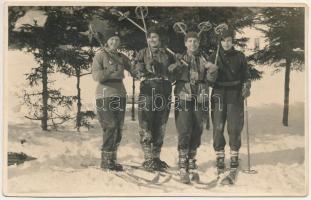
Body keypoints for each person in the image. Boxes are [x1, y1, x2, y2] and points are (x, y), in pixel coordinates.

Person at [168, 31, 218, 184]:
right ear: (185, 43)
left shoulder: (204, 59)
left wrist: (212, 71)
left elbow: (211, 81)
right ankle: (183, 165)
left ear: (199, 43)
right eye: (189, 41)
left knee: (197, 129)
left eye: (195, 41)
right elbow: (171, 78)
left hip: (200, 98)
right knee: (184, 129)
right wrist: (175, 67)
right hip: (183, 97)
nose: (193, 44)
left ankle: (192, 161)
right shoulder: (180, 58)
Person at [207, 28, 251, 184]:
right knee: (218, 126)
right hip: (218, 92)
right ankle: (219, 156)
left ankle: (234, 156)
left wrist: (246, 86)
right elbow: (208, 80)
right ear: (220, 41)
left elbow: (246, 75)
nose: (226, 43)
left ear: (232, 41)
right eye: (223, 40)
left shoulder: (239, 56)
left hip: (234, 93)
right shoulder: (214, 55)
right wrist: (211, 73)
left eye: (229, 40)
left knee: (234, 127)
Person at [92, 26, 138, 171]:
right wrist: (109, 70)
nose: (114, 42)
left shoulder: (121, 57)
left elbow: (134, 71)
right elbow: (96, 76)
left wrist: (137, 65)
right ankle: (105, 161)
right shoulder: (100, 55)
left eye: (117, 40)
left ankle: (112, 160)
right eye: (112, 40)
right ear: (107, 42)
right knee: (110, 126)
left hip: (120, 93)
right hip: (104, 94)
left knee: (118, 128)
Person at [134, 26, 174, 172]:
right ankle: (148, 157)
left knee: (160, 123)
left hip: (164, 88)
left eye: (155, 37)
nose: (152, 39)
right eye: (150, 37)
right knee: (146, 122)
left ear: (159, 39)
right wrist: (143, 68)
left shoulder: (166, 53)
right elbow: (136, 70)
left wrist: (172, 69)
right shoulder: (143, 52)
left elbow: (173, 71)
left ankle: (156, 157)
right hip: (148, 88)